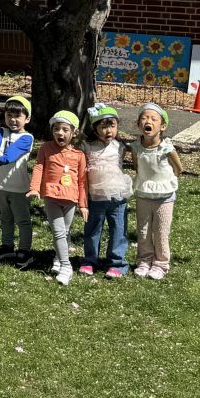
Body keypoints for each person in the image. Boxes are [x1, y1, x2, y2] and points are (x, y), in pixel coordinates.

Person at [28, 110, 87, 286]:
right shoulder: (46, 148)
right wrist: (34, 188)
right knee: (59, 232)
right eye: (56, 129)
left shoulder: (79, 155)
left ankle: (58, 258)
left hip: (70, 199)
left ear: (74, 133)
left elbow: (82, 181)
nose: (60, 133)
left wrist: (83, 205)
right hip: (51, 197)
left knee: (65, 232)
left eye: (65, 129)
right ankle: (66, 266)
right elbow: (38, 168)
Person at [129, 103, 183, 280]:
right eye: (144, 118)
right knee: (143, 231)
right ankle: (144, 261)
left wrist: (167, 181)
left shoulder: (166, 148)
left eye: (153, 119)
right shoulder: (136, 147)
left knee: (160, 232)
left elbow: (178, 168)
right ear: (138, 124)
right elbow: (137, 167)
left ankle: (161, 264)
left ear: (162, 126)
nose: (148, 121)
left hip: (164, 197)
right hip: (144, 194)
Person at [81, 104, 132, 278]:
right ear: (94, 128)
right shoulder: (87, 146)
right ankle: (90, 260)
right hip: (95, 196)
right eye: (103, 126)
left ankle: (117, 263)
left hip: (117, 196)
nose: (108, 131)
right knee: (93, 230)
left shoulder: (120, 146)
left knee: (118, 229)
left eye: (112, 126)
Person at [0, 95, 36, 267]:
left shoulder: (27, 138)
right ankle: (7, 246)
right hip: (1, 186)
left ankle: (24, 250)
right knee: (6, 218)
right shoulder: (2, 132)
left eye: (17, 116)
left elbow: (12, 154)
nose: (13, 120)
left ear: (27, 119)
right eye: (9, 115)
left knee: (22, 220)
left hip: (19, 188)